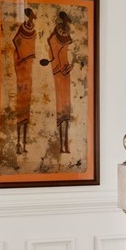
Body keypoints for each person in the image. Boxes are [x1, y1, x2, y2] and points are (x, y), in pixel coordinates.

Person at [47, 11, 74, 154]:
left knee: (66, 110)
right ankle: (61, 145)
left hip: (65, 74)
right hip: (59, 74)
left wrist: (68, 67)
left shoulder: (65, 35)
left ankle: (66, 144)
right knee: (60, 108)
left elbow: (66, 55)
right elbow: (52, 56)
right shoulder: (53, 38)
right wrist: (60, 69)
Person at [11, 8, 38, 154]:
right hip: (22, 71)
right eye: (33, 14)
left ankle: (25, 144)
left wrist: (28, 58)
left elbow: (31, 50)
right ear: (29, 15)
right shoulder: (22, 28)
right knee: (21, 108)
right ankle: (18, 143)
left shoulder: (32, 30)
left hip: (29, 71)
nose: (35, 16)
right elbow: (17, 44)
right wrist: (23, 57)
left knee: (26, 109)